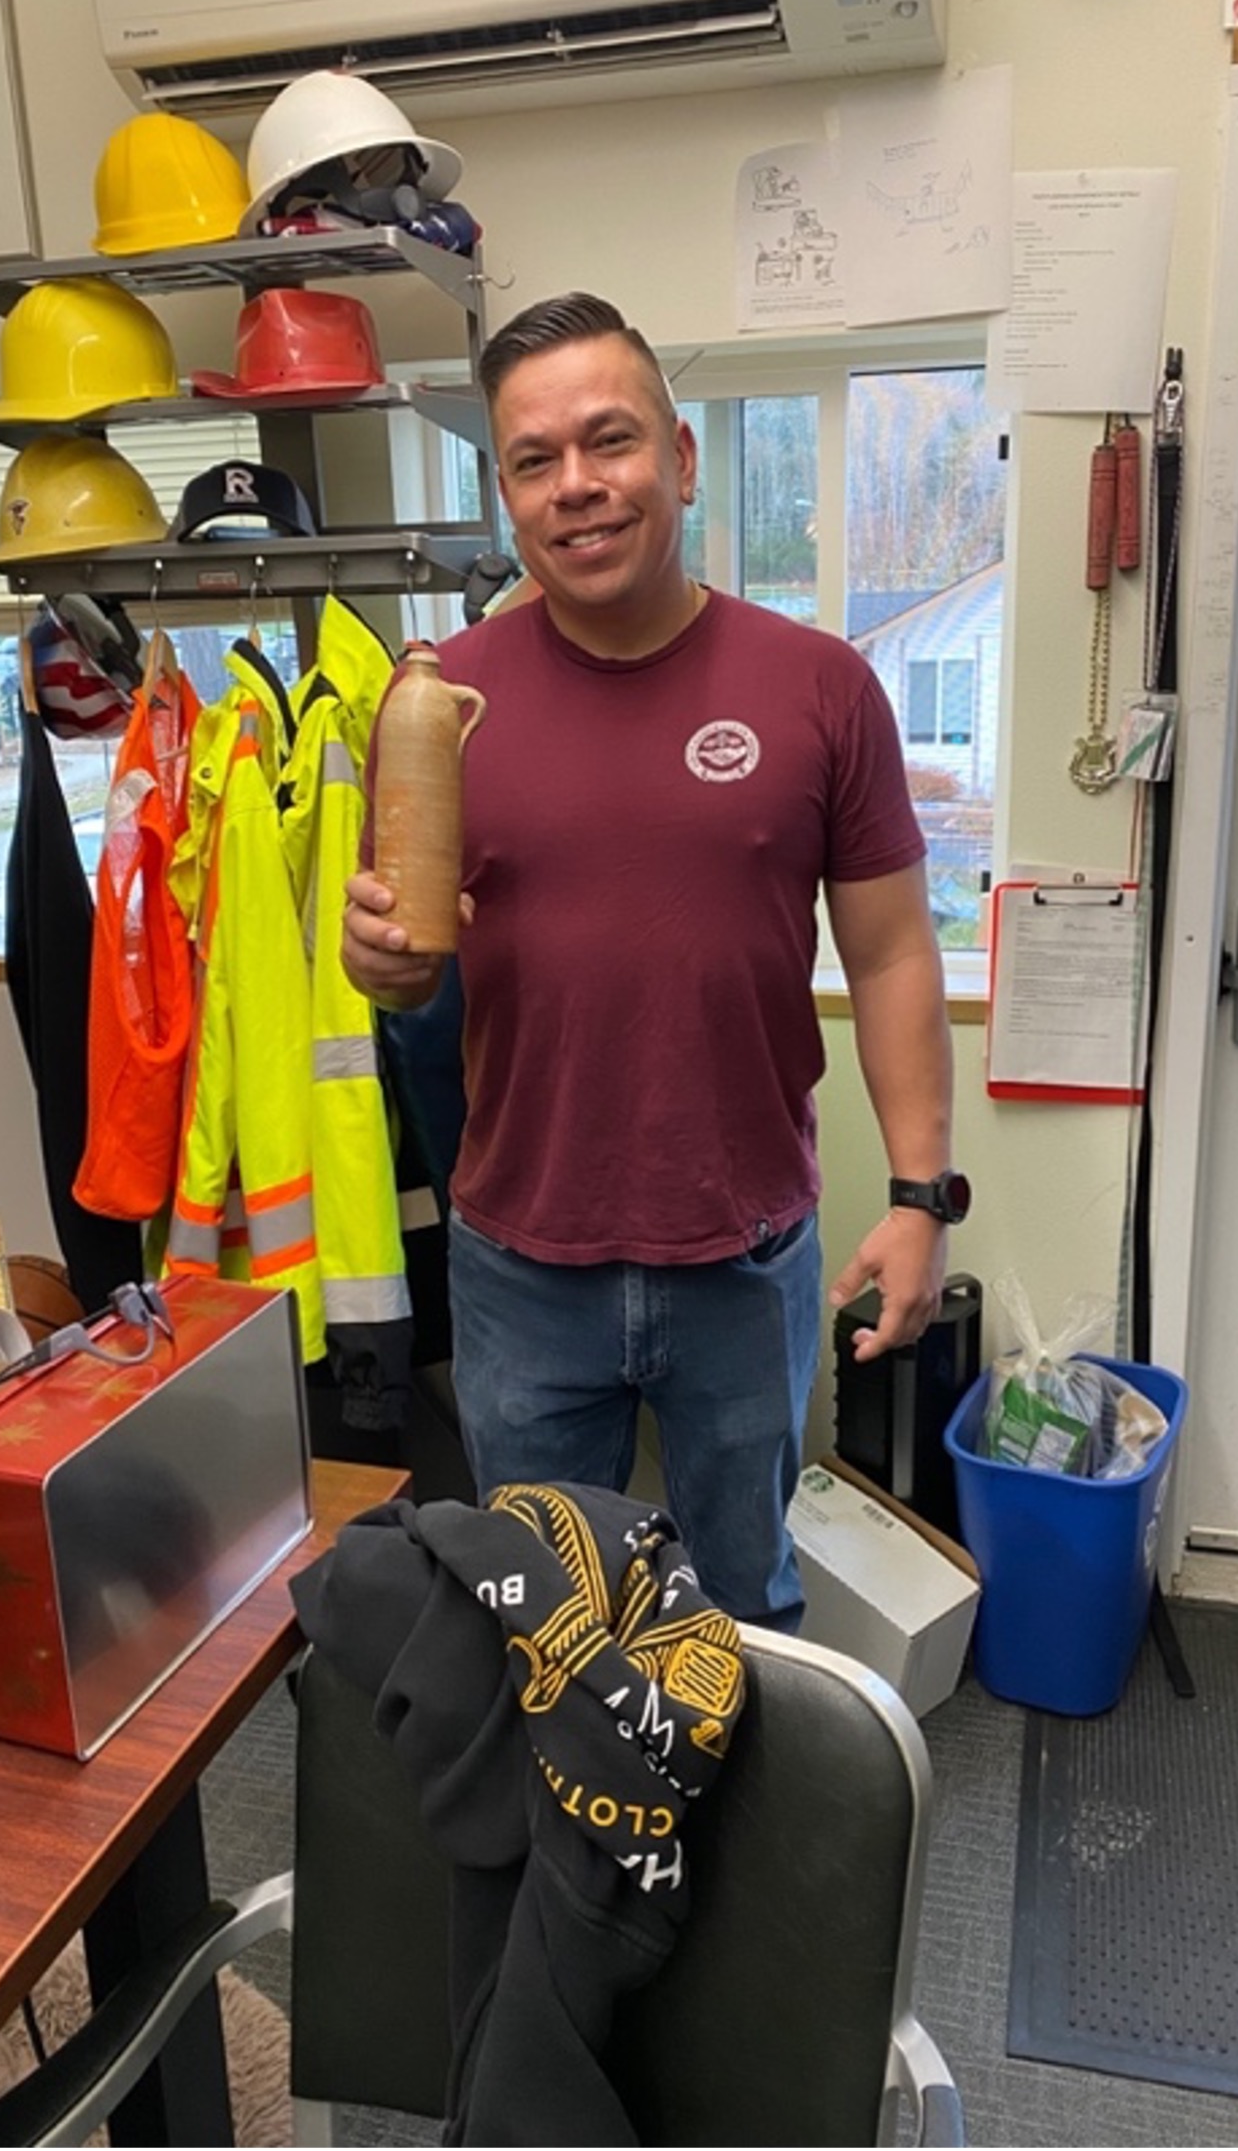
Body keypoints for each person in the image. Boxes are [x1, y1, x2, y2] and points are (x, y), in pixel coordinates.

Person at [343, 292, 958, 1629]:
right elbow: (407, 963)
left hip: (740, 1250)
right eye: (534, 460)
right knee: (547, 1622)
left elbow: (897, 951)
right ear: (506, 493)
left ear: (680, 459)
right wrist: (379, 962)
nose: (578, 487)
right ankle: (584, 1847)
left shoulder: (818, 688)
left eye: (608, 442)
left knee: (742, 1603)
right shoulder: (444, 697)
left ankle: (734, 1845)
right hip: (518, 1258)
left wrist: (921, 1193)